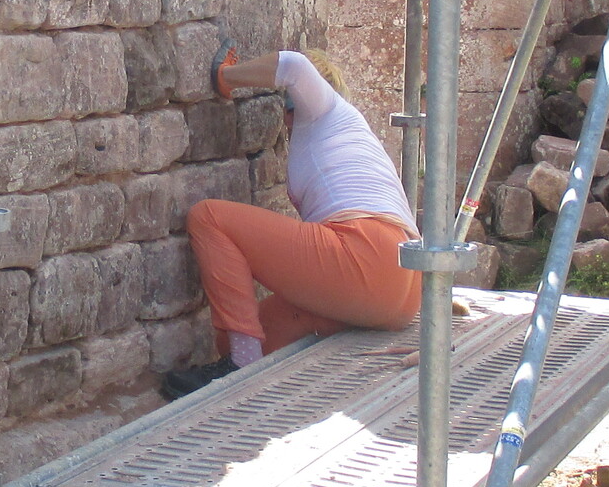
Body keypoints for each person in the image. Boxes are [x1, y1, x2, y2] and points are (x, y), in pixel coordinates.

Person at [163, 47, 422, 398]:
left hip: (365, 255)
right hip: (402, 291)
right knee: (241, 337)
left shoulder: (324, 110)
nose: (285, 116)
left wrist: (226, 77)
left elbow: (295, 66)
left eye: (287, 105)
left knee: (209, 218)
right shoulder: (351, 135)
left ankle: (241, 367)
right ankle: (242, 356)